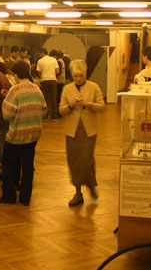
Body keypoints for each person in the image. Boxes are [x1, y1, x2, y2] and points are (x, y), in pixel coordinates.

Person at [0, 60, 47, 205]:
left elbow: (7, 114)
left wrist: (5, 100)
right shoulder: (36, 88)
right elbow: (44, 110)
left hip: (17, 135)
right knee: (27, 166)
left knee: (9, 165)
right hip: (33, 134)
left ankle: (9, 196)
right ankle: (25, 198)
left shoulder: (15, 90)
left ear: (16, 74)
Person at [59, 59, 106, 206]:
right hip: (72, 131)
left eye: (81, 75)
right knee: (74, 162)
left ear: (86, 73)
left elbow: (102, 106)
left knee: (86, 160)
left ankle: (91, 184)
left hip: (89, 131)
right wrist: (70, 105)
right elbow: (61, 110)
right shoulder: (67, 89)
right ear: (72, 75)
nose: (79, 79)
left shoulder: (94, 87)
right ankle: (78, 192)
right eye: (75, 76)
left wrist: (89, 104)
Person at [36, 48, 59, 121]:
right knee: (53, 99)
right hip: (53, 80)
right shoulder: (54, 60)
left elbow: (39, 72)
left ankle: (45, 116)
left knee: (45, 99)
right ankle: (54, 116)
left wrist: (43, 75)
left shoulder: (40, 61)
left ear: (41, 53)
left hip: (44, 80)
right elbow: (57, 71)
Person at [53, 49, 66, 117]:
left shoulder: (59, 62)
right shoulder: (62, 61)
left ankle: (58, 113)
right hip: (62, 80)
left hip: (59, 81)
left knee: (57, 97)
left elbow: (58, 72)